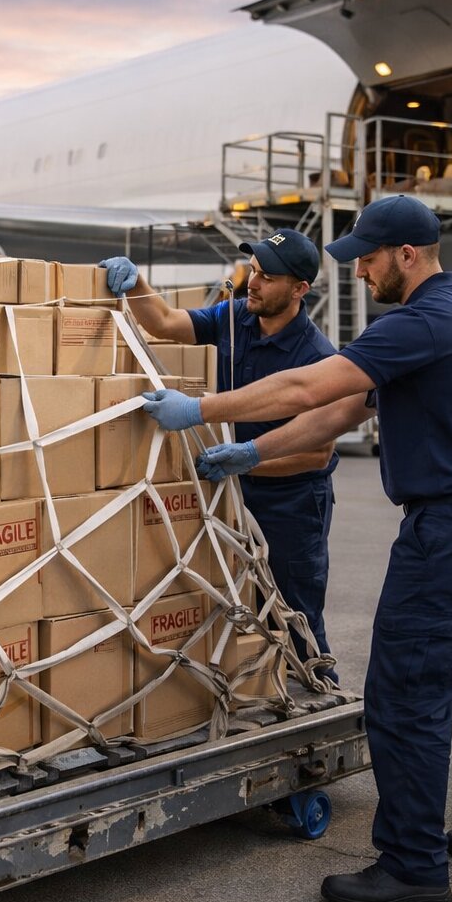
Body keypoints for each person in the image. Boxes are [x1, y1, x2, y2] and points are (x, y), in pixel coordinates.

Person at [137, 196, 452, 902]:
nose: (359, 271)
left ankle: (414, 867)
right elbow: (337, 412)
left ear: (407, 255)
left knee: (405, 700)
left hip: (451, 534)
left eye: (367, 257)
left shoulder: (421, 321)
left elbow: (308, 385)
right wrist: (249, 453)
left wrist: (202, 411)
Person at [100, 229, 340, 681]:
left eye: (268, 277)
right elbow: (166, 322)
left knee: (292, 611)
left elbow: (317, 453)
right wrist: (137, 285)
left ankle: (319, 692)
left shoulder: (317, 356)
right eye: (253, 270)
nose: (254, 282)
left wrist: (249, 458)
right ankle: (258, 690)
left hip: (291, 502)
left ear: (299, 289)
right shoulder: (235, 318)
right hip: (232, 488)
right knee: (237, 601)